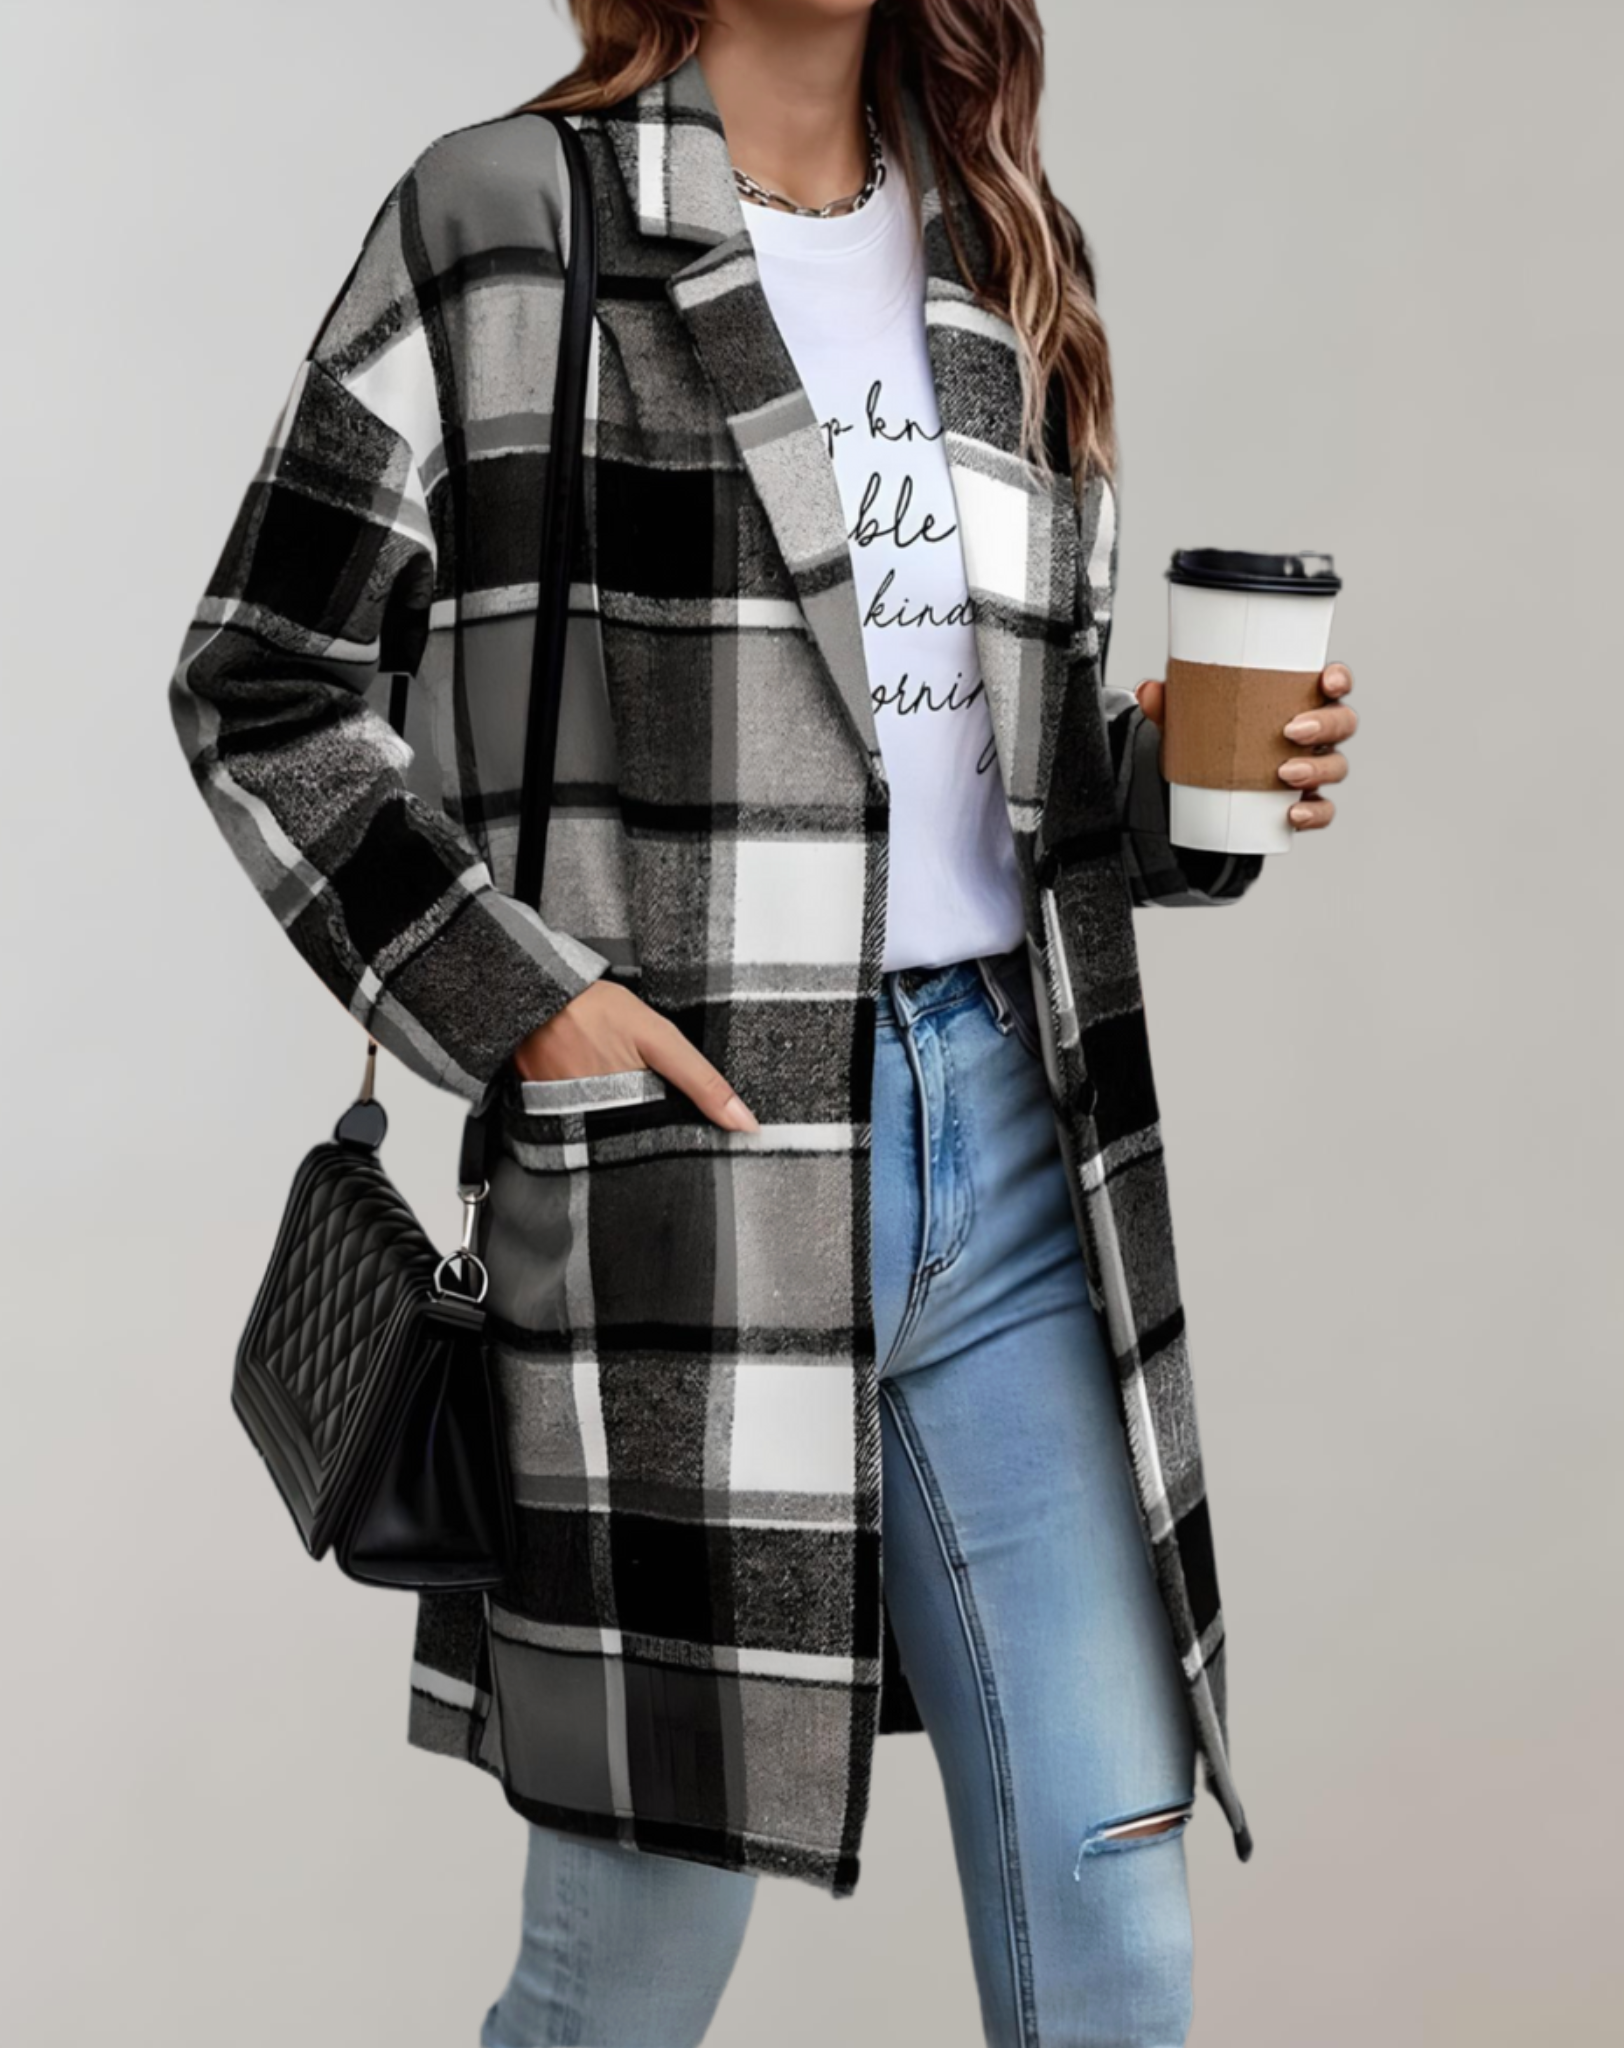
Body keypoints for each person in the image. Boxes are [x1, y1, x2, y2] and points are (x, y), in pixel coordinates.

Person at [168, 2, 1357, 2041]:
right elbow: (262, 680)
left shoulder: (1003, 249)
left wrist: (1179, 788)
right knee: (630, 1977)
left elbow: (991, 787)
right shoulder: (503, 220)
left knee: (1115, 1943)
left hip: (1010, 1159)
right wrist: (522, 1002)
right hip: (686, 1189)